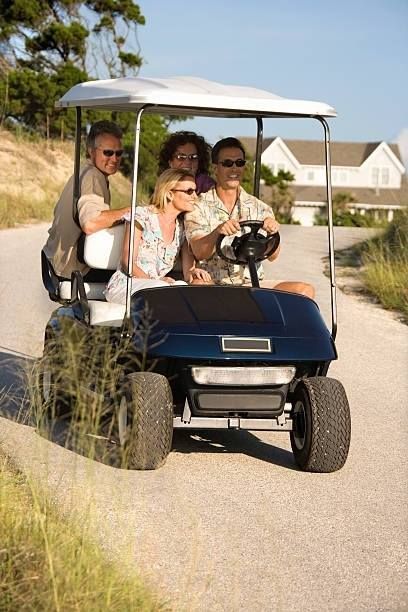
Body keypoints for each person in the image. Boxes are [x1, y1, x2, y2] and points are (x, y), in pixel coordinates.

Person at [184, 137, 315, 298]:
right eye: (227, 163)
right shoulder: (197, 206)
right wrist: (217, 232)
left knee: (304, 292)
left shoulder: (260, 208)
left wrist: (271, 233)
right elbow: (198, 252)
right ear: (215, 168)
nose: (234, 168)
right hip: (213, 284)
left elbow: (273, 255)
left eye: (239, 163)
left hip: (252, 283)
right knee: (198, 287)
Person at [104, 169, 211, 304]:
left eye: (195, 191)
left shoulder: (182, 229)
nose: (195, 196)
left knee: (183, 287)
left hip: (159, 288)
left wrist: (195, 273)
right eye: (189, 191)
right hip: (127, 283)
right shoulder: (141, 216)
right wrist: (155, 282)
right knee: (161, 290)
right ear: (169, 194)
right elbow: (128, 262)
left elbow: (188, 273)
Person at [43, 120, 131, 281]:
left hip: (56, 263)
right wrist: (133, 212)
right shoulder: (92, 177)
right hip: (73, 270)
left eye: (119, 153)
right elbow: (90, 223)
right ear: (91, 151)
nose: (114, 158)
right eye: (108, 152)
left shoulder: (85, 171)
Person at [158, 131, 215, 195]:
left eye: (193, 157)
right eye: (181, 157)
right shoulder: (163, 184)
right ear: (170, 162)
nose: (187, 162)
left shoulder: (207, 186)